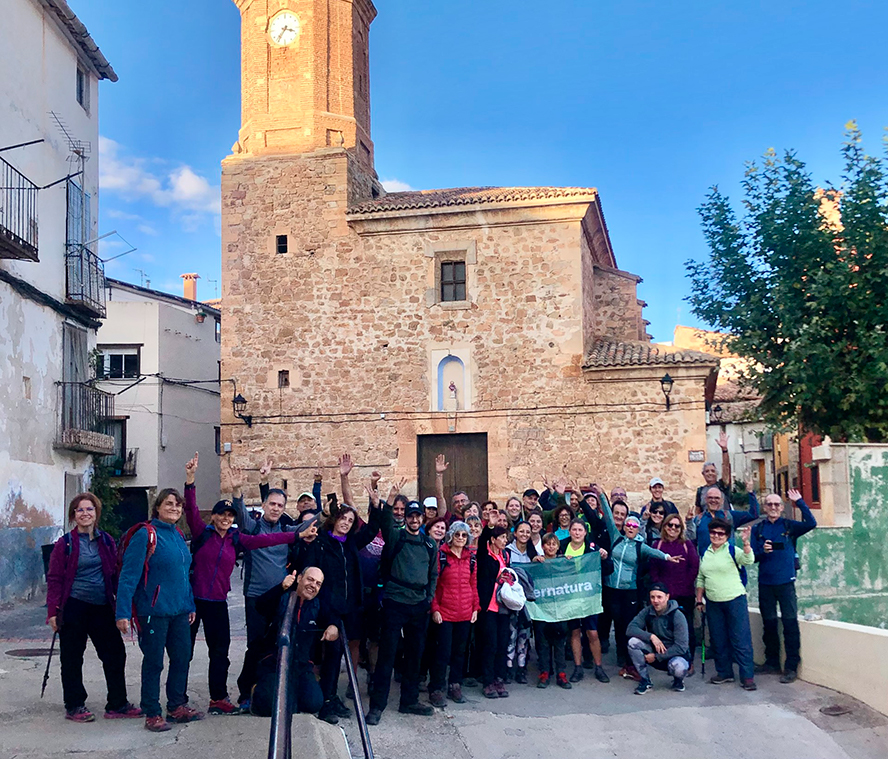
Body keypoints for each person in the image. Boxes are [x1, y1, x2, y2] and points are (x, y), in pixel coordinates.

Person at [184, 457, 300, 716]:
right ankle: (178, 700)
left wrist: (296, 536)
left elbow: (267, 540)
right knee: (185, 653)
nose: (226, 519)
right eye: (221, 515)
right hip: (193, 601)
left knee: (220, 652)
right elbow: (190, 510)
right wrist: (190, 481)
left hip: (217, 603)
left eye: (229, 516)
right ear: (213, 516)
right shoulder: (203, 533)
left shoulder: (236, 539)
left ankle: (218, 698)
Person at [46, 493, 140, 723]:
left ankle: (117, 703)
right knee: (71, 657)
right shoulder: (64, 544)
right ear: (73, 515)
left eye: (89, 509)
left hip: (102, 606)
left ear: (96, 513)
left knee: (115, 654)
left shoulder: (106, 540)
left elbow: (115, 573)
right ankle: (75, 705)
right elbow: (55, 578)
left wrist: (123, 606)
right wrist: (52, 612)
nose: (85, 513)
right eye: (80, 510)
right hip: (74, 606)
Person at [116, 484, 203, 732]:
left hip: (179, 612)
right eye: (169, 504)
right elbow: (128, 576)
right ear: (157, 508)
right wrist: (122, 612)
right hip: (153, 613)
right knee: (154, 663)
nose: (174, 508)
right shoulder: (146, 534)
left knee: (182, 658)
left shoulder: (177, 534)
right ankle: (152, 712)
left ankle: (177, 706)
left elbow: (184, 575)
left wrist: (190, 604)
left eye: (178, 505)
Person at [365, 488, 438, 725]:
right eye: (410, 515)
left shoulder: (429, 545)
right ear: (405, 517)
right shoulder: (396, 537)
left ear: (422, 519)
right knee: (388, 655)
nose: (414, 520)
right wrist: (386, 502)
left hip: (418, 605)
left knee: (415, 656)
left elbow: (433, 574)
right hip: (395, 602)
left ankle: (409, 700)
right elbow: (386, 523)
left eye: (418, 516)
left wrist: (428, 597)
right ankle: (377, 706)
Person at [233, 472, 302, 709]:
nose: (275, 508)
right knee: (255, 645)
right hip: (255, 597)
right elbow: (241, 517)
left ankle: (271, 687)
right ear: (263, 505)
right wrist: (236, 492)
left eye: (280, 505)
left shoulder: (286, 530)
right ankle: (246, 692)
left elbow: (308, 524)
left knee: (279, 643)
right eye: (271, 504)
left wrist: (324, 511)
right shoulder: (253, 528)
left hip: (280, 597)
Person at [598, 491, 681, 680]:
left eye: (634, 525)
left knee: (626, 626)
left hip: (629, 592)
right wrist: (601, 495)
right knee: (611, 621)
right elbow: (609, 518)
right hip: (612, 588)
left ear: (638, 529)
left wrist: (668, 557)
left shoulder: (639, 546)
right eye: (628, 524)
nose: (630, 527)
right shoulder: (616, 538)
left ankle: (629, 662)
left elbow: (654, 552)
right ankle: (620, 658)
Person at [249, 567, 339, 717]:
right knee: (270, 706)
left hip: (301, 665)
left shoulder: (318, 604)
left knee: (313, 703)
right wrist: (280, 588)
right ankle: (256, 691)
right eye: (310, 579)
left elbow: (333, 616)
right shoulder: (282, 597)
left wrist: (333, 626)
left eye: (318, 583)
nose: (313, 585)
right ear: (299, 579)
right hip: (274, 662)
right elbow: (260, 606)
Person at [752, 488, 817, 683]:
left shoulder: (789, 525)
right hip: (765, 583)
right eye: (769, 504)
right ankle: (772, 662)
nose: (773, 507)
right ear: (765, 507)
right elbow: (752, 557)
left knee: (790, 624)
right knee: (769, 624)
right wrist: (762, 551)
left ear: (781, 507)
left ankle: (791, 667)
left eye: (776, 504)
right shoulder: (759, 529)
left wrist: (800, 502)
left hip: (786, 583)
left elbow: (812, 523)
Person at [695, 518, 757, 690]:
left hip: (734, 600)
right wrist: (699, 599)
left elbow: (748, 560)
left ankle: (747, 676)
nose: (716, 536)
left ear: (727, 536)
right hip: (713, 602)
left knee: (740, 638)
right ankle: (724, 672)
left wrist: (746, 543)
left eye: (721, 533)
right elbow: (701, 577)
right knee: (718, 639)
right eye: (713, 532)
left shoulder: (732, 550)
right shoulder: (705, 553)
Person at [429, 521, 479, 706]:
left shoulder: (471, 558)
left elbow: (473, 584)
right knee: (442, 652)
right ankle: (436, 688)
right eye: (457, 534)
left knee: (460, 652)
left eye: (464, 535)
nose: (460, 538)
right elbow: (434, 584)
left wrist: (475, 608)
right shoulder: (441, 555)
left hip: (465, 612)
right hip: (445, 612)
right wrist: (435, 609)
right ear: (451, 536)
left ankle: (454, 685)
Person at [560, 519, 610, 685]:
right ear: (570, 531)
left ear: (585, 532)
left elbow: (609, 568)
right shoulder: (562, 546)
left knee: (592, 633)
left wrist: (604, 557)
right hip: (570, 596)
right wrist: (560, 559)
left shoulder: (593, 548)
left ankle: (598, 666)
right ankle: (577, 667)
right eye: (574, 529)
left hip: (589, 597)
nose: (577, 533)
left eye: (580, 530)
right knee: (574, 632)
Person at [649, 513, 700, 673]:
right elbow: (653, 568)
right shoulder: (658, 545)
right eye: (669, 525)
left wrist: (683, 584)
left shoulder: (687, 545)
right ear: (664, 527)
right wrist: (660, 589)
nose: (673, 528)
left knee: (686, 630)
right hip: (663, 596)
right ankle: (664, 660)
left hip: (684, 595)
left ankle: (687, 661)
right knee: (662, 629)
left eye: (677, 526)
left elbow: (694, 566)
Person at [626, 583, 691, 694]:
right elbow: (630, 629)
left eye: (659, 597)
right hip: (654, 649)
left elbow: (681, 647)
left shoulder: (677, 616)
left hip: (674, 655)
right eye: (652, 597)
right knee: (633, 642)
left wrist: (656, 656)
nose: (655, 601)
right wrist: (651, 636)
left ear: (667, 597)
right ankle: (645, 680)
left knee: (679, 667)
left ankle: (678, 680)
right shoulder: (647, 611)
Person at [476, 522, 513, 699]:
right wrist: (488, 526)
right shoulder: (485, 556)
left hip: (503, 607)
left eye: (506, 537)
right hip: (489, 606)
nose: (505, 541)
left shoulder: (505, 556)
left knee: (502, 643)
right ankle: (487, 681)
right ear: (493, 540)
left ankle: (499, 678)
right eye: (502, 537)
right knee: (489, 644)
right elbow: (483, 542)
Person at [532, 534, 570, 689]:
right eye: (548, 544)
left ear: (558, 546)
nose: (551, 547)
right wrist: (534, 561)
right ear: (543, 546)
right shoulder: (538, 562)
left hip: (560, 610)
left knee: (560, 643)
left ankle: (561, 673)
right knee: (543, 643)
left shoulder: (563, 562)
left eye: (554, 544)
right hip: (542, 610)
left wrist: (569, 563)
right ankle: (544, 672)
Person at [687, 483, 759, 557]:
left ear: (722, 500)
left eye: (717, 498)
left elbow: (753, 515)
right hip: (707, 563)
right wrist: (688, 522)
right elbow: (691, 542)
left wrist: (751, 493)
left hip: (728, 563)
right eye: (710, 498)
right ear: (706, 500)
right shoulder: (698, 519)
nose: (713, 500)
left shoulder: (729, 516)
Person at [504, 521, 536, 682]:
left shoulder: (533, 553)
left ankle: (521, 668)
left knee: (524, 636)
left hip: (528, 603)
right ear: (515, 533)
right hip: (511, 601)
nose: (524, 534)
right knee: (511, 635)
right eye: (521, 531)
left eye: (527, 532)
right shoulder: (507, 552)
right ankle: (508, 667)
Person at [694, 431, 732, 515]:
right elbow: (697, 510)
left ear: (716, 473)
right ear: (703, 474)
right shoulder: (700, 491)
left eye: (712, 471)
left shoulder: (722, 485)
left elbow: (726, 468)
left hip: (723, 522)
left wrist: (724, 450)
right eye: (707, 471)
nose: (710, 473)